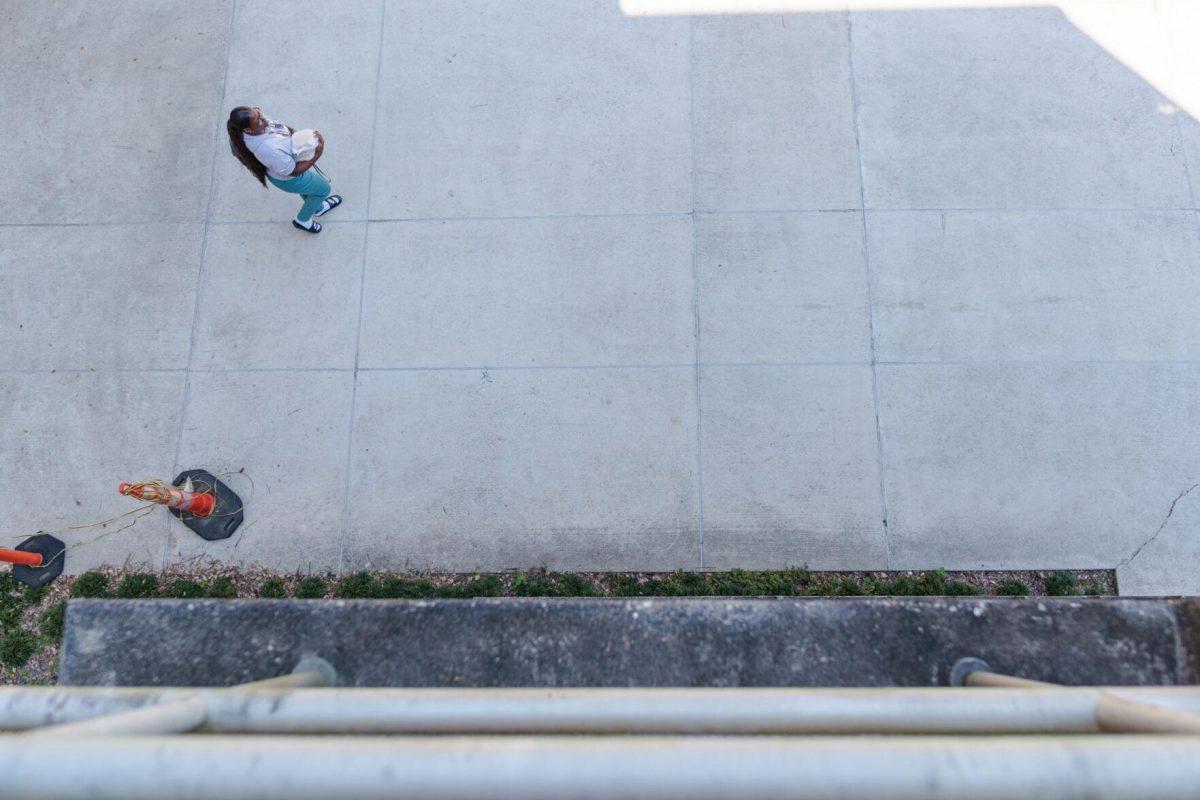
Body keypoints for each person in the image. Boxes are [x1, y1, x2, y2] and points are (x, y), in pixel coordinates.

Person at [226, 106, 342, 234]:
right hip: (290, 179)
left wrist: (297, 134)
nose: (263, 119)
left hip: (286, 170)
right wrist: (317, 154)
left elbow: (278, 127)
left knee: (310, 191)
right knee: (323, 189)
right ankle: (302, 220)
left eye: (258, 112)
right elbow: (292, 171)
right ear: (248, 129)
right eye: (258, 120)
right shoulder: (269, 150)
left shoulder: (258, 123)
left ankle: (317, 208)